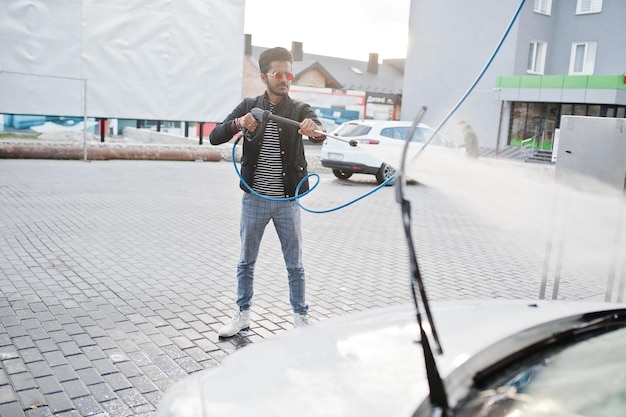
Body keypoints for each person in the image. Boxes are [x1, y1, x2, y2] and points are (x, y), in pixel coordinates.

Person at [209, 47, 326, 338]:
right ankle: (243, 315)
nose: (286, 79)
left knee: (295, 264)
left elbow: (320, 132)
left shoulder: (300, 110)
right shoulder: (250, 105)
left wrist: (314, 129)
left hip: (287, 201)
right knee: (246, 261)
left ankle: (301, 318)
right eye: (279, 74)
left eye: (289, 74)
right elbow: (214, 136)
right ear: (264, 77)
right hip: (254, 199)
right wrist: (239, 123)